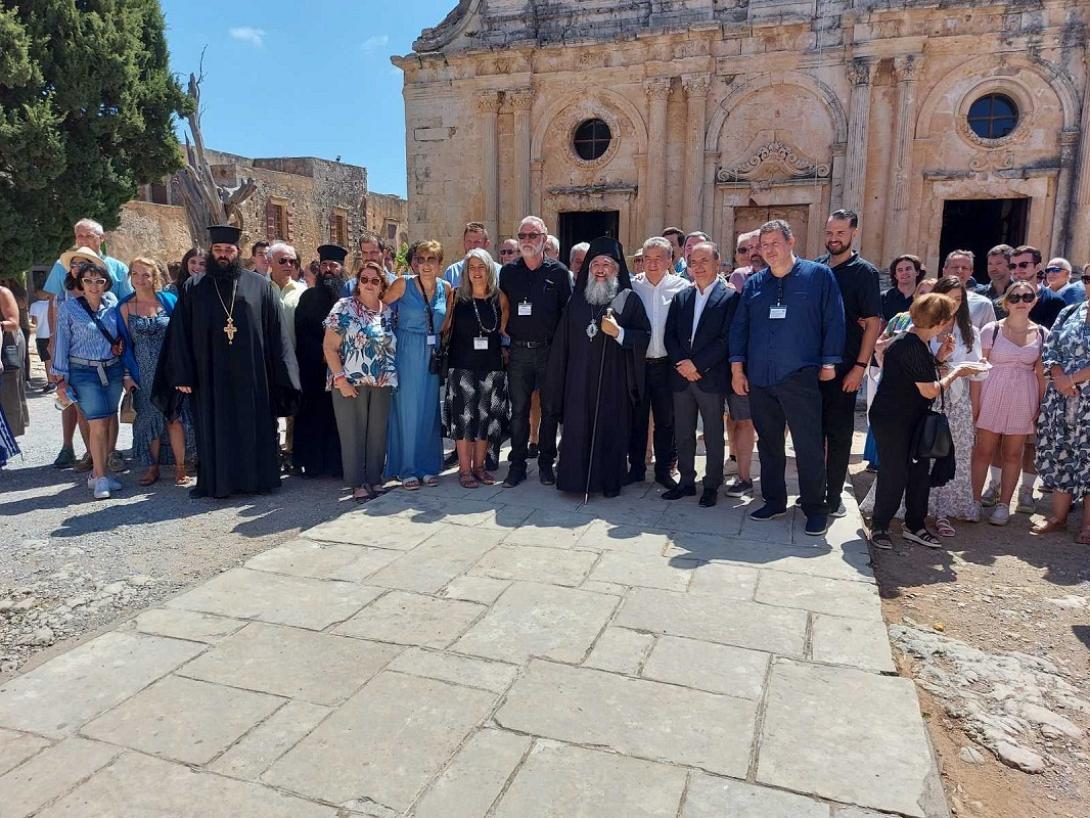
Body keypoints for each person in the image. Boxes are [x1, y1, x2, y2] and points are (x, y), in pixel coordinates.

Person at [155, 224, 301, 499]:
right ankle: (217, 483)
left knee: (253, 425)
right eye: (218, 250)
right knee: (215, 427)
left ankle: (257, 480)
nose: (223, 255)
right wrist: (183, 374)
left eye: (229, 250)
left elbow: (275, 333)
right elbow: (180, 334)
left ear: (238, 252)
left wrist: (281, 373)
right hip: (210, 374)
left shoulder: (259, 285)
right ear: (211, 252)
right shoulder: (193, 286)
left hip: (253, 374)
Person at [729, 219, 845, 537]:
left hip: (800, 375)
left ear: (791, 241)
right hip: (760, 379)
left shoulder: (818, 276)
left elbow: (834, 318)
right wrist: (737, 369)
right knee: (768, 444)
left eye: (774, 243)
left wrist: (830, 362)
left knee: (807, 445)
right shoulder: (755, 283)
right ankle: (774, 500)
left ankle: (815, 508)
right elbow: (740, 328)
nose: (768, 250)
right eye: (763, 246)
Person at [868, 293, 983, 550]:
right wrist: (957, 372)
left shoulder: (917, 343)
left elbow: (920, 373)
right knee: (894, 472)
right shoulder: (908, 344)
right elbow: (930, 389)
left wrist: (940, 358)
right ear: (939, 322)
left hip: (912, 417)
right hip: (893, 420)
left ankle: (915, 524)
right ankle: (880, 526)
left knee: (919, 472)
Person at [545, 237, 650, 497]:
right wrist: (558, 384)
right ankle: (573, 481)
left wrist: (619, 333)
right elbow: (561, 347)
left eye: (607, 264)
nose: (600, 269)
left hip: (613, 383)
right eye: (595, 264)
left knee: (610, 429)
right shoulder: (576, 302)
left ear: (617, 269)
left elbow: (644, 336)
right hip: (578, 382)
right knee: (576, 428)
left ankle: (607, 481)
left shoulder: (628, 299)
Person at [45, 219, 132, 470]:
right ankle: (90, 454)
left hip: (108, 354)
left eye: (88, 236)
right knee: (82, 406)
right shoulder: (62, 270)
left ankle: (110, 453)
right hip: (76, 354)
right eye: (79, 235)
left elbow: (124, 307)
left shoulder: (116, 268)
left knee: (108, 408)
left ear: (101, 238)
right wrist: (52, 343)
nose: (82, 240)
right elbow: (54, 304)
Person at [51, 258, 137, 499]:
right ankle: (100, 477)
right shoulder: (69, 308)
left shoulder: (113, 304)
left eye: (99, 281)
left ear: (106, 283)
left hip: (112, 369)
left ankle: (100, 473)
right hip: (83, 372)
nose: (94, 286)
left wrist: (125, 366)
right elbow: (61, 344)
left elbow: (123, 338)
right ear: (80, 282)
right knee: (97, 423)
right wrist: (60, 379)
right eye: (88, 281)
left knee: (108, 420)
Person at [815, 209, 882, 516]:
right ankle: (814, 489)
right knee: (812, 433)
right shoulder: (815, 268)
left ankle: (833, 496)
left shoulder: (864, 272)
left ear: (854, 233)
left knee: (839, 434)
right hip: (812, 368)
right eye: (829, 233)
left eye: (840, 233)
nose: (834, 239)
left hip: (845, 370)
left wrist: (859, 367)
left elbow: (872, 323)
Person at [499, 216, 573, 487]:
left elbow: (568, 315)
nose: (527, 240)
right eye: (523, 235)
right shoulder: (508, 273)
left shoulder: (559, 273)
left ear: (544, 238)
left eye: (533, 235)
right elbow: (501, 308)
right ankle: (517, 465)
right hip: (518, 353)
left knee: (551, 410)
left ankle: (545, 464)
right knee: (518, 411)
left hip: (549, 352)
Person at [663, 241, 736, 506]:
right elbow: (669, 335)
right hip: (681, 377)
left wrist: (698, 365)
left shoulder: (729, 297)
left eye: (705, 261)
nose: (699, 267)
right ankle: (686, 481)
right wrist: (683, 362)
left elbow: (727, 339)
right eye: (694, 262)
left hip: (711, 377)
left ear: (718, 264)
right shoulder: (682, 296)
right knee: (683, 432)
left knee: (714, 434)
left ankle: (711, 484)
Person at [970, 280, 1047, 525]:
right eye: (1015, 297)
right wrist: (976, 403)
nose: (1021, 301)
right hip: (992, 391)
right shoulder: (990, 330)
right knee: (983, 450)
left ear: (1034, 300)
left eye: (1027, 296)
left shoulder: (1044, 334)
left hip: (1024, 395)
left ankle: (1004, 505)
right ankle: (973, 501)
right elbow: (979, 370)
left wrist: (1041, 406)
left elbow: (1041, 374)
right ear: (1006, 302)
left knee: (1014, 453)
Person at [116, 257, 193, 487]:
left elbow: (182, 335)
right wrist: (127, 375)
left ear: (154, 277)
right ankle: (153, 467)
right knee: (149, 420)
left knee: (175, 418)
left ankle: (180, 467)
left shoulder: (169, 301)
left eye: (146, 275)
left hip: (170, 370)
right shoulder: (124, 307)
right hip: (143, 372)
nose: (140, 279)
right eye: (136, 274)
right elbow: (124, 344)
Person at [324, 261, 397, 502]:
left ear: (382, 285)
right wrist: (341, 379)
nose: (368, 284)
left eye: (375, 280)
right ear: (357, 282)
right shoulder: (344, 307)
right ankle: (357, 484)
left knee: (377, 434)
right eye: (364, 279)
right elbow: (330, 347)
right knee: (352, 433)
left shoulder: (386, 311)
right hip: (349, 381)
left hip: (381, 381)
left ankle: (375, 479)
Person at [383, 239, 452, 488]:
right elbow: (379, 306)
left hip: (431, 353)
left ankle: (428, 466)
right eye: (420, 259)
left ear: (439, 263)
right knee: (408, 410)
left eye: (431, 259)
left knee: (428, 410)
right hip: (407, 351)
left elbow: (446, 322)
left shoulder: (446, 288)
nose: (425, 265)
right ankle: (407, 467)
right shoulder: (403, 284)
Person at [445, 248, 510, 487]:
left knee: (486, 419)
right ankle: (464, 470)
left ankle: (480, 467)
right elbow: (444, 328)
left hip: (491, 368)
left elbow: (505, 330)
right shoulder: (456, 296)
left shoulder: (499, 298)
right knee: (464, 421)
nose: (476, 272)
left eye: (481, 267)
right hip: (461, 367)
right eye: (471, 267)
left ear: (490, 269)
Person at [923, 277, 983, 533]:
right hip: (926, 399)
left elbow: (979, 372)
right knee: (923, 454)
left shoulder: (970, 331)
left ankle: (943, 513)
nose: (954, 304)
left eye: (959, 299)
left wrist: (960, 371)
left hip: (957, 403)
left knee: (952, 459)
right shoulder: (923, 326)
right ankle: (916, 506)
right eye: (949, 297)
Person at [630, 236, 690, 488]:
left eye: (658, 258)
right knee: (637, 418)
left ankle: (664, 470)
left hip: (667, 365)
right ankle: (636, 468)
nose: (652, 263)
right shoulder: (632, 287)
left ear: (670, 260)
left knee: (666, 421)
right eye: (647, 258)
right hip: (639, 365)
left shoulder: (682, 287)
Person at [1032, 299, 1090, 542]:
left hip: (1083, 396)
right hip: (1061, 398)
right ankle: (1059, 517)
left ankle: (1088, 525)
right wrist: (1057, 374)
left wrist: (1073, 378)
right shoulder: (1070, 311)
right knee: (1061, 451)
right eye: (1087, 278)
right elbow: (1051, 348)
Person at [292, 244, 347, 478]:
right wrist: (322, 353)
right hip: (314, 367)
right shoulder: (308, 297)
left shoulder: (350, 296)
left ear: (341, 269)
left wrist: (337, 354)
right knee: (313, 414)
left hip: (343, 367)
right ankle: (311, 464)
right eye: (324, 265)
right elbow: (301, 331)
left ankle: (338, 464)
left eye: (333, 265)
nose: (328, 269)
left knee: (339, 418)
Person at [942, 250, 996, 331]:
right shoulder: (932, 300)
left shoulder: (983, 304)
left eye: (965, 268)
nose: (959, 271)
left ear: (971, 272)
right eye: (955, 267)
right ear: (944, 270)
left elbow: (991, 336)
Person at [0, 284, 28, 439]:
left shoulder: (3, 293)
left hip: (7, 345)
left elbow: (14, 323)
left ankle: (10, 434)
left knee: (8, 390)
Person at [443, 222, 494, 288]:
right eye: (469, 241)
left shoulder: (498, 271)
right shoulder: (452, 272)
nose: (472, 246)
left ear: (486, 244)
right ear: (464, 243)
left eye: (477, 242)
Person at [268, 242, 306, 324]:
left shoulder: (303, 291)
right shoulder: (260, 288)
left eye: (292, 261)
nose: (288, 265)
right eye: (282, 261)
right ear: (270, 262)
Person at [882, 255, 923, 322]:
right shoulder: (883, 298)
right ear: (895, 275)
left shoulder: (923, 298)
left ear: (917, 272)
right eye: (900, 270)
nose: (904, 272)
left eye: (908, 269)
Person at [28, 290, 55, 393]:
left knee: (47, 360)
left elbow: (34, 321)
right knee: (54, 358)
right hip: (53, 334)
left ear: (36, 293)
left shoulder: (34, 305)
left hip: (41, 335)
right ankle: (56, 380)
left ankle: (51, 382)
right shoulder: (52, 303)